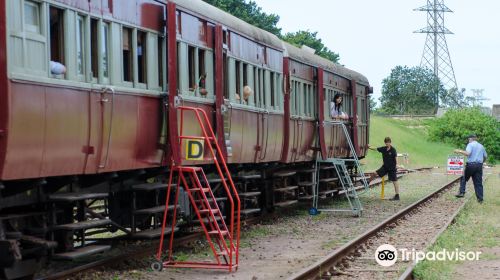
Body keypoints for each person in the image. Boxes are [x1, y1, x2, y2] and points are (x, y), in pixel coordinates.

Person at [454, 134, 487, 203]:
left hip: (471, 165)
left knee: (463, 177)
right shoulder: (481, 146)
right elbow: (485, 156)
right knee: (478, 183)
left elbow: (468, 153)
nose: (468, 140)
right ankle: (480, 199)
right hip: (479, 166)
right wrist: (481, 163)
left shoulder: (470, 144)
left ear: (470, 139)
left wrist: (459, 151)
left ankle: (461, 192)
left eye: (468, 139)